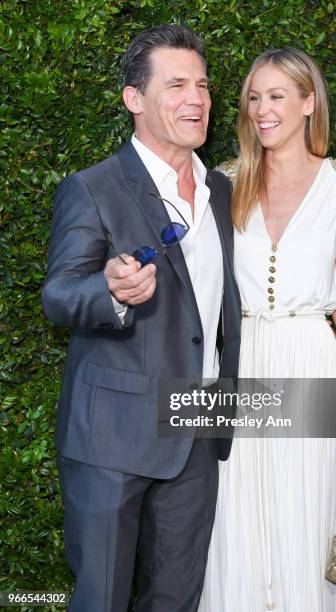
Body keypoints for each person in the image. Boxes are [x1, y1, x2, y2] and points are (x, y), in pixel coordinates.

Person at [42, 24, 241, 612]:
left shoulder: (221, 191)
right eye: (177, 84)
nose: (197, 99)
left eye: (203, 85)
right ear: (135, 99)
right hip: (111, 438)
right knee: (100, 599)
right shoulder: (94, 188)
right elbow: (59, 294)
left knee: (177, 600)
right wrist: (112, 292)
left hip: (200, 430)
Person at [199, 47, 336, 611]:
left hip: (312, 358)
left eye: (276, 96)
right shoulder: (222, 183)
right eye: (254, 97)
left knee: (309, 510)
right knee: (236, 517)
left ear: (308, 103)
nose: (262, 109)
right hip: (242, 362)